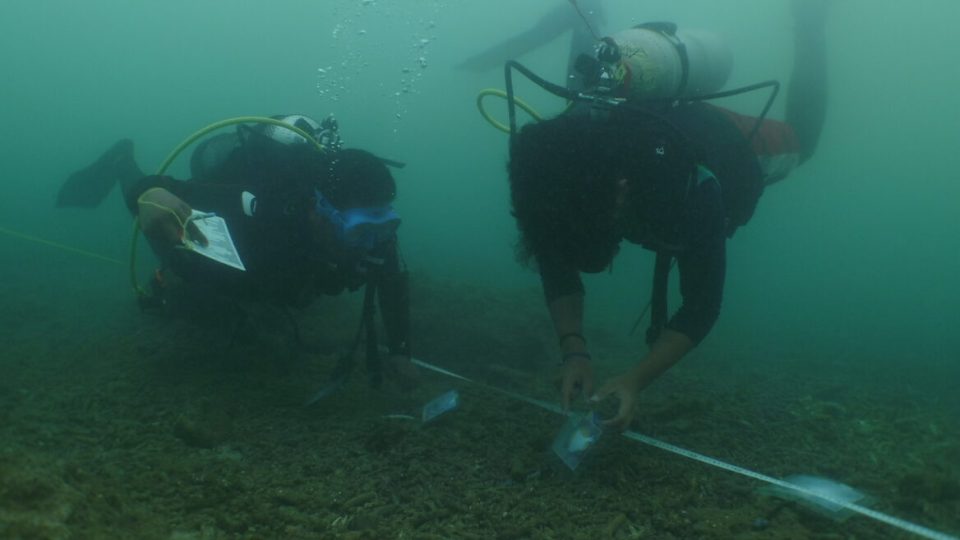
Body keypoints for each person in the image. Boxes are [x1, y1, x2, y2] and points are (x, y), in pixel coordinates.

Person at [507, 1, 831, 429]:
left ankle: (810, 24)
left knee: (802, 142)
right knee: (587, 87)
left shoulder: (692, 190)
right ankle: (587, 24)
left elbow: (702, 304)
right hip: (622, 138)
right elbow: (553, 252)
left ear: (621, 195)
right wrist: (575, 351)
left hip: (720, 140)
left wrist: (635, 380)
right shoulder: (552, 176)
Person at [61, 114, 414, 389]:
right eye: (359, 230)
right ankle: (123, 162)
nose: (370, 242)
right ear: (318, 209)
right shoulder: (268, 206)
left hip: (283, 267)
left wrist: (400, 351)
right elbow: (167, 189)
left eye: (382, 226)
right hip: (246, 246)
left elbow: (393, 281)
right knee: (187, 267)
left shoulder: (375, 231)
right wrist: (147, 196)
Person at [457, 0, 605, 90]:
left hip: (582, 12)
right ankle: (480, 63)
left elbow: (536, 36)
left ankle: (480, 63)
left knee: (543, 33)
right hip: (583, 13)